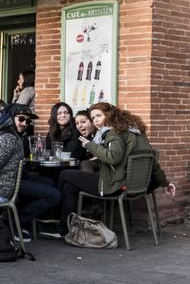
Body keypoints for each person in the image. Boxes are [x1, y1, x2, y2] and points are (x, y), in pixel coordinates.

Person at [55, 102, 174, 237]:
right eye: (93, 118)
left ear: (109, 114)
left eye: (99, 116)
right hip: (135, 185)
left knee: (65, 174)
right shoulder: (137, 132)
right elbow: (152, 161)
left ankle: (60, 220)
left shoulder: (113, 133)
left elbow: (113, 158)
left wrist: (90, 145)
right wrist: (165, 183)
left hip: (115, 186)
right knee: (69, 187)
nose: (96, 121)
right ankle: (65, 226)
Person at [9, 104, 60, 241]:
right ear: (11, 117)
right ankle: (15, 222)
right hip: (9, 181)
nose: (24, 123)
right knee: (54, 195)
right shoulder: (8, 137)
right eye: (21, 119)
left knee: (51, 182)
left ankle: (34, 221)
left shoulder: (20, 136)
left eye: (27, 121)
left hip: (20, 177)